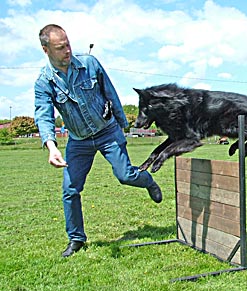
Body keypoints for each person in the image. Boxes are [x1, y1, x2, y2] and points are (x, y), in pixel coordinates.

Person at [34, 24, 162, 258]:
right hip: (79, 141)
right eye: (61, 47)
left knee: (125, 176)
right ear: (46, 50)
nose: (68, 51)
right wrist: (51, 147)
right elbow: (43, 115)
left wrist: (124, 125)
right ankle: (76, 239)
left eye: (68, 44)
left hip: (107, 132)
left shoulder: (89, 64)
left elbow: (110, 93)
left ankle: (148, 181)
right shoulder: (44, 82)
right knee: (70, 190)